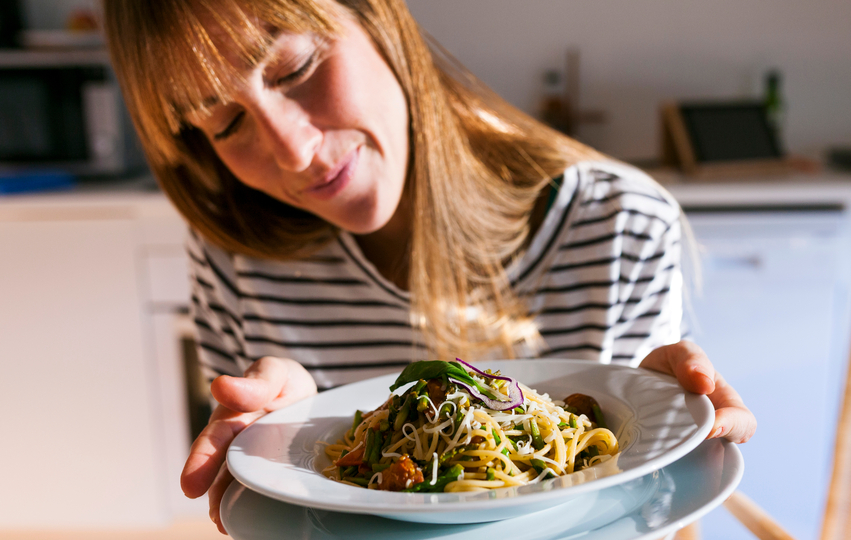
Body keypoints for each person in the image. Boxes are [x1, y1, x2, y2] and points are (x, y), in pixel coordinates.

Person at [103, 0, 756, 533]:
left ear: (379, 18)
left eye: (294, 68)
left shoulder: (618, 224)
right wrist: (286, 440)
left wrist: (665, 428)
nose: (295, 152)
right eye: (225, 123)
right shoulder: (233, 251)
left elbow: (640, 499)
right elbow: (269, 504)